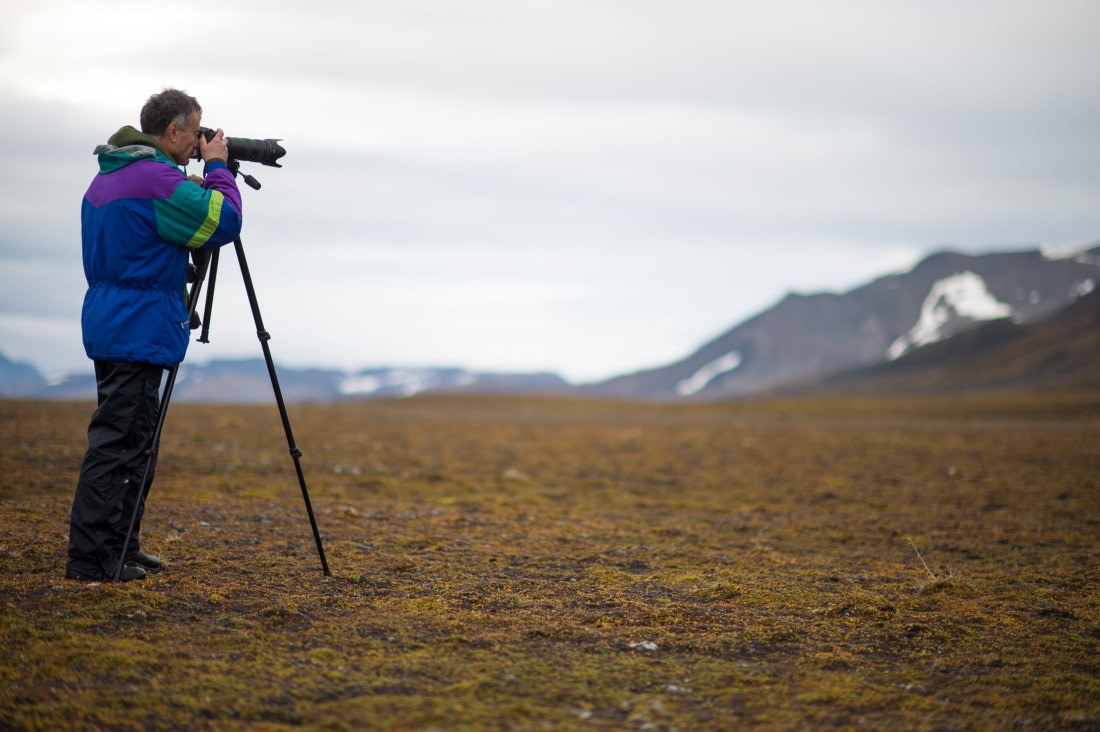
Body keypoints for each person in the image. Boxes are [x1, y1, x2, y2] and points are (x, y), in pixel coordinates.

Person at [66, 89, 243, 582]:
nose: (198, 141)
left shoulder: (112, 176)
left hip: (114, 321)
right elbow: (223, 220)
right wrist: (218, 171)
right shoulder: (154, 180)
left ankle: (122, 546)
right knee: (119, 444)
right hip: (138, 327)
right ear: (172, 132)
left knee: (134, 440)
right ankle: (93, 560)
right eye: (195, 133)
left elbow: (140, 245)